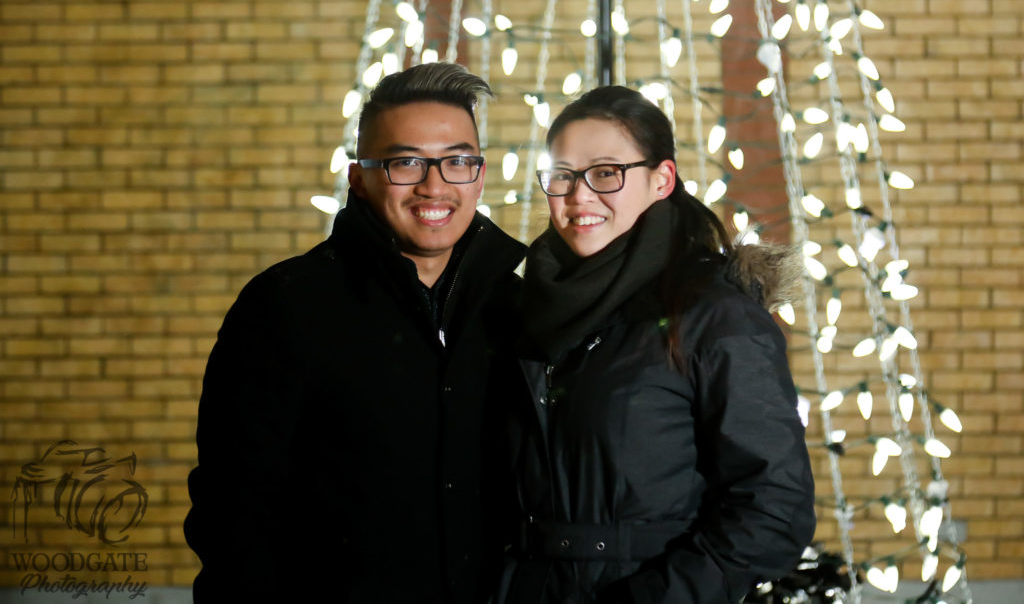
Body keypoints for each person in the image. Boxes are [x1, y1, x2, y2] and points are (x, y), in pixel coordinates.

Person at [184, 63, 527, 602]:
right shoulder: (286, 305)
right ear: (358, 177)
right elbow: (235, 510)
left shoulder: (519, 306)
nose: (434, 185)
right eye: (405, 162)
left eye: (457, 161)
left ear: (480, 175)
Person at [498, 86, 816, 603]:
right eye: (562, 175)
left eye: (606, 173)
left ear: (661, 179)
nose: (579, 196)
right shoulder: (522, 309)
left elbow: (773, 508)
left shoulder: (714, 317)